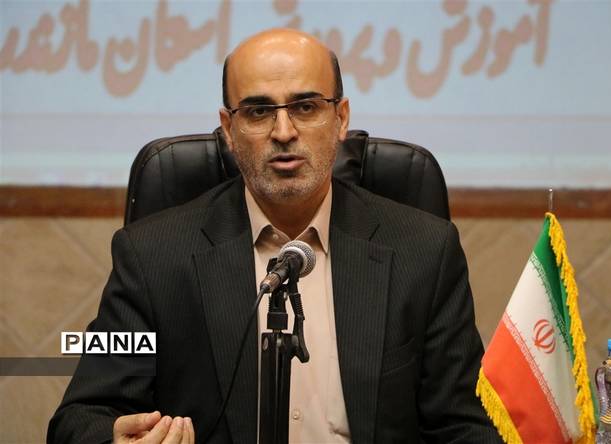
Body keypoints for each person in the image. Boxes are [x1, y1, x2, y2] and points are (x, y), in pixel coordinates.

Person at [48, 28, 501, 443]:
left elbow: (464, 426)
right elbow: (79, 418)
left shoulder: (425, 252)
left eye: (306, 107)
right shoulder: (151, 257)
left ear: (341, 118)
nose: (284, 132)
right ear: (229, 129)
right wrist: (113, 439)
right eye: (259, 111)